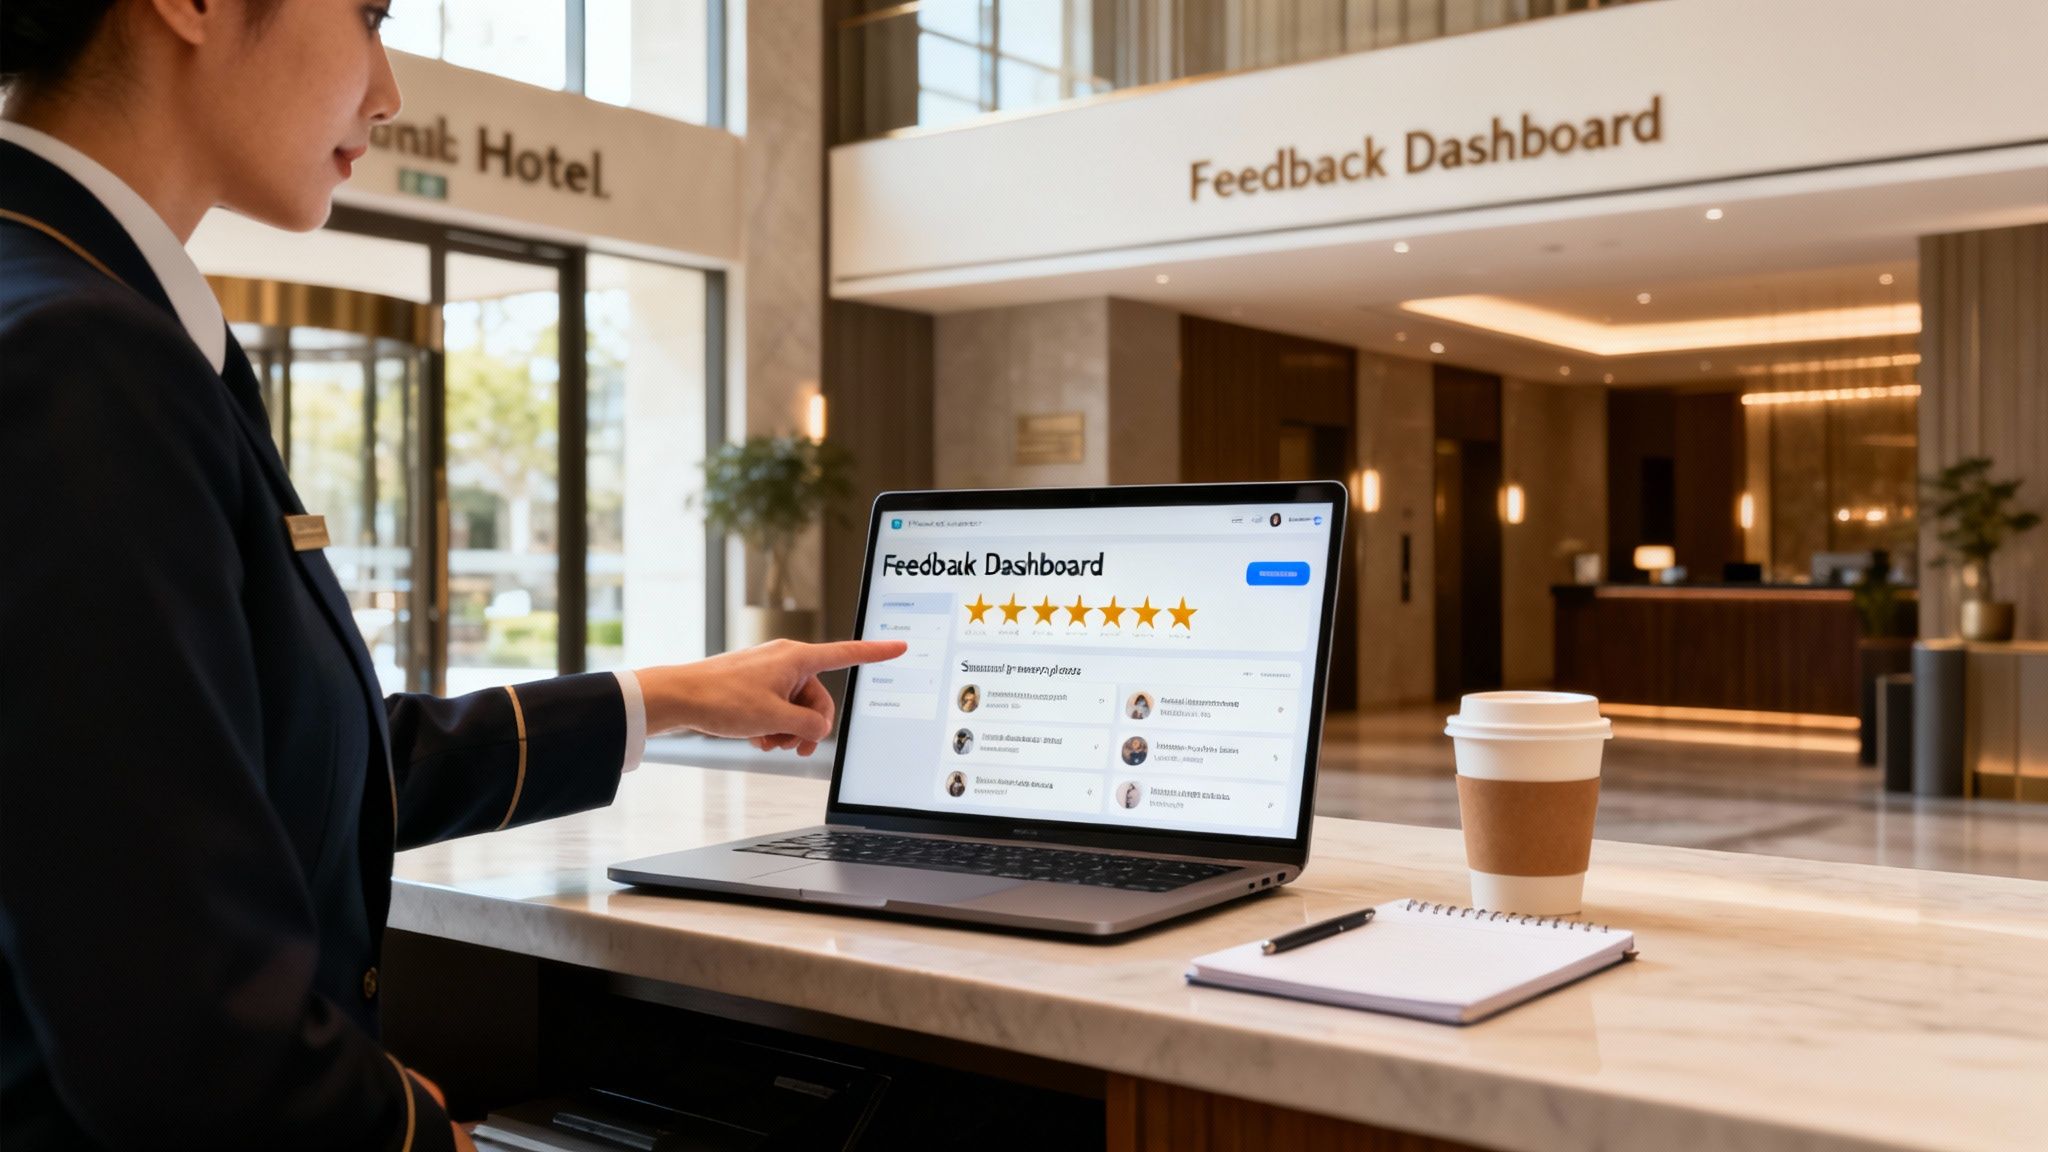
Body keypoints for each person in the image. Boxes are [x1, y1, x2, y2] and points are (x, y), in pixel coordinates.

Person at [0, 4, 904, 1149]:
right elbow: (180, 1022)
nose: (388, 90)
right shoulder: (78, 357)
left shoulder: (88, 310)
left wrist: (667, 697)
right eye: (368, 15)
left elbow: (267, 768)